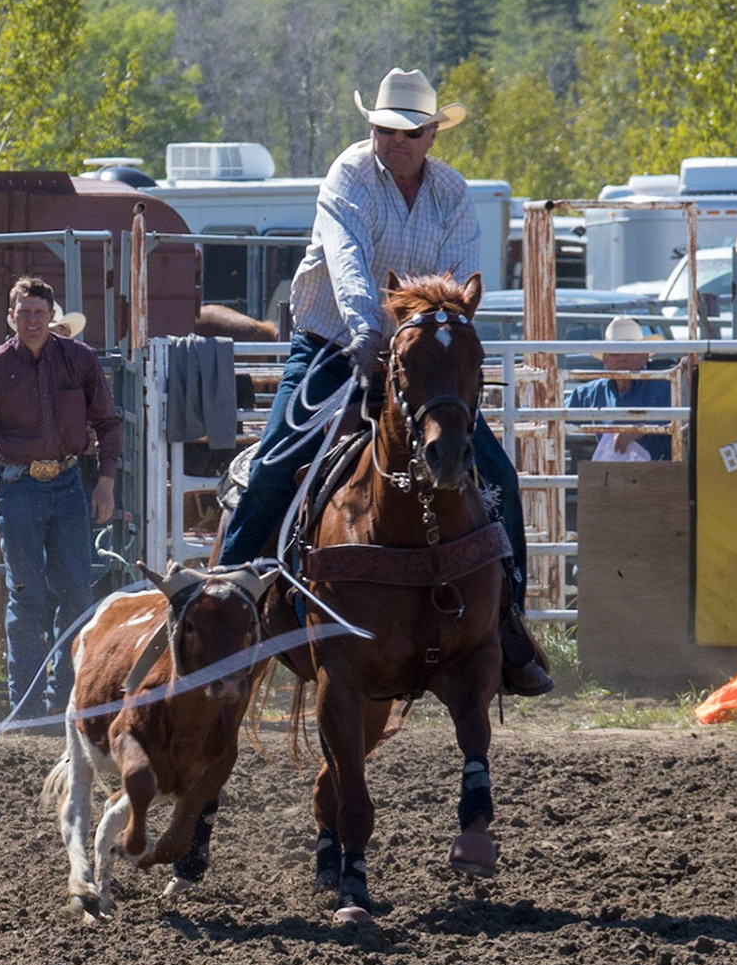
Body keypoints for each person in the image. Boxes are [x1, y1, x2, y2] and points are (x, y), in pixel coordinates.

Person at [216, 67, 551, 695]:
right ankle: (222, 609)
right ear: (372, 129)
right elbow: (345, 257)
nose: (396, 141)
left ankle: (507, 622)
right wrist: (366, 329)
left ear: (431, 136)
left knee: (498, 477)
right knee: (274, 464)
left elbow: (459, 281)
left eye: (410, 132)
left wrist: (415, 335)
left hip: (419, 356)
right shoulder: (348, 175)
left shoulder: (452, 194)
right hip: (332, 341)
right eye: (385, 130)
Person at [0, 277, 121, 717]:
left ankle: (64, 702)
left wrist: (105, 482)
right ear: (11, 317)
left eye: (39, 312)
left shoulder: (79, 359)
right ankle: (24, 708)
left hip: (67, 483)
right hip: (16, 485)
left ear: (51, 315)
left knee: (76, 593)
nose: (32, 320)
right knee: (26, 595)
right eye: (23, 312)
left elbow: (107, 422)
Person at [565, 316, 674, 462]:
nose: (622, 359)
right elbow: (558, 413)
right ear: (606, 360)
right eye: (615, 353)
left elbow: (684, 423)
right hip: (611, 471)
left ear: (644, 357)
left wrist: (640, 430)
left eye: (630, 352)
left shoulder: (664, 387)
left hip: (658, 469)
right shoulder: (593, 392)